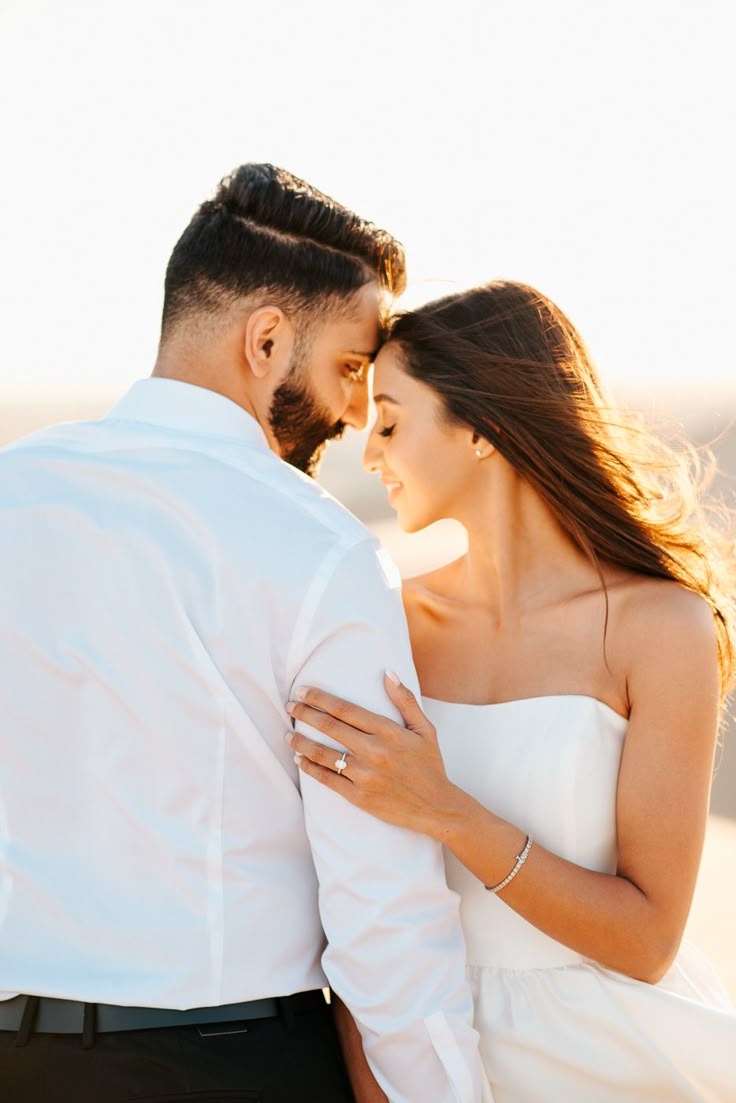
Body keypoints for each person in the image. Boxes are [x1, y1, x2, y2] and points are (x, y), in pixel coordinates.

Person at [0, 165, 488, 1103]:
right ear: (266, 338)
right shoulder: (321, 550)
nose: (355, 413)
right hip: (226, 1068)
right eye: (350, 366)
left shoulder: (12, 491)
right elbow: (382, 909)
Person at [287, 280, 736, 1102]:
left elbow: (647, 940)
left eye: (390, 421)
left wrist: (447, 809)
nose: (371, 452)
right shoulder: (390, 622)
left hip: (617, 1057)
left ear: (482, 427)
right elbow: (353, 904)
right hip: (433, 1048)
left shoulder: (660, 627)